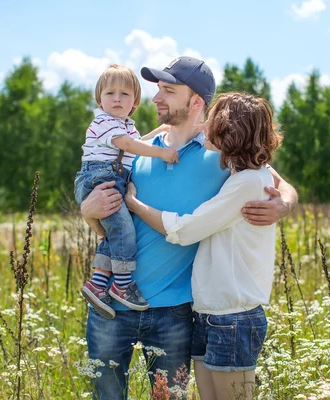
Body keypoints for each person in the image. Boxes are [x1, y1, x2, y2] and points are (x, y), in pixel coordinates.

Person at [80, 56, 298, 400]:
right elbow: (101, 200)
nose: (155, 98)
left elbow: (275, 180)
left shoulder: (223, 153)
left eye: (168, 90)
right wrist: (86, 210)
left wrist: (284, 202)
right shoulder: (138, 146)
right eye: (157, 89)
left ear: (196, 101)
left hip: (174, 311)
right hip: (110, 304)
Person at [125, 92, 280, 399]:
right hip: (209, 313)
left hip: (234, 316)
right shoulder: (237, 175)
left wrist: (133, 203)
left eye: (214, 121)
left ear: (231, 132)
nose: (204, 125)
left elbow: (186, 229)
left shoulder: (249, 182)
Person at [74, 64, 179, 319]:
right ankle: (122, 284)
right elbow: (128, 145)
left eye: (124, 94)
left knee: (115, 234)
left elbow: (134, 142)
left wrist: (158, 133)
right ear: (100, 99)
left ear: (135, 102)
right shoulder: (103, 121)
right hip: (99, 179)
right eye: (110, 93)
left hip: (112, 179)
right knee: (123, 229)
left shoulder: (126, 125)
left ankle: (98, 284)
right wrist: (161, 151)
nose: (117, 99)